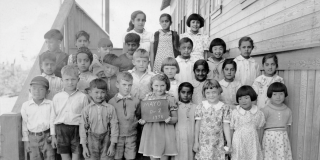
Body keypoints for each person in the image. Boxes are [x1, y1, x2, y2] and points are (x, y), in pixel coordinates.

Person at [50, 65, 89, 160]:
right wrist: (53, 136)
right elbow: (52, 117)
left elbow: (86, 117)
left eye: (73, 79)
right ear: (62, 80)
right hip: (61, 129)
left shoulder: (83, 97)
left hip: (77, 129)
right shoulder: (57, 97)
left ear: (78, 79)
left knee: (76, 157)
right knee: (65, 157)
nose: (70, 82)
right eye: (67, 79)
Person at [138, 73, 178, 160]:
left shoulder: (170, 98)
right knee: (153, 156)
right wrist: (142, 121)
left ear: (166, 85)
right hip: (151, 131)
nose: (159, 89)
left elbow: (175, 118)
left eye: (162, 85)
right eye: (156, 85)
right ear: (151, 85)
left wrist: (170, 119)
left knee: (164, 157)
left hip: (165, 131)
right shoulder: (148, 98)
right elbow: (144, 117)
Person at [80, 79, 119, 160]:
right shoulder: (86, 109)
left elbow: (114, 126)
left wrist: (112, 145)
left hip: (106, 140)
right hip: (91, 141)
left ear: (106, 93)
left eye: (103, 92)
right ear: (90, 93)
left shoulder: (110, 108)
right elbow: (82, 129)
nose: (99, 95)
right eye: (96, 92)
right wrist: (84, 147)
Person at [193, 79, 232, 160]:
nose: (211, 95)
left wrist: (229, 142)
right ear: (204, 94)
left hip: (218, 143)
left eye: (214, 92)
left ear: (219, 92)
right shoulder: (201, 106)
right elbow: (197, 125)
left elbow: (226, 126)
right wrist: (196, 142)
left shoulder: (224, 107)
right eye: (208, 93)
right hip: (203, 143)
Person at [108, 72, 141, 160]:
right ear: (117, 85)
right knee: (117, 156)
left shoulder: (136, 101)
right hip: (117, 135)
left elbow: (138, 116)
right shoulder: (111, 102)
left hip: (131, 134)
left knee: (131, 156)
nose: (127, 87)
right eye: (124, 84)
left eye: (130, 85)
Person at [21, 76, 55, 160]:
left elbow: (52, 121)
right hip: (32, 138)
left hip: (47, 137)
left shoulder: (51, 104)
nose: (37, 91)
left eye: (41, 89)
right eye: (34, 88)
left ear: (47, 91)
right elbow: (24, 124)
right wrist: (26, 141)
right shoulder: (26, 106)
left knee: (50, 157)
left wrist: (53, 137)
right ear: (30, 90)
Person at [230, 85, 265, 160]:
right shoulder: (235, 112)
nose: (243, 101)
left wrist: (259, 143)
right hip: (238, 141)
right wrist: (230, 143)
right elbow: (231, 128)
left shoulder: (258, 113)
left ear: (251, 97)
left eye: (246, 98)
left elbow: (260, 129)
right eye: (240, 99)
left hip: (253, 141)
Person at [261, 82, 292, 159]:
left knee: (281, 156)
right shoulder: (265, 110)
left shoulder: (288, 110)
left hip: (283, 138)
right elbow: (261, 127)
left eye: (281, 94)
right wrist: (260, 141)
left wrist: (285, 140)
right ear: (270, 96)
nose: (278, 97)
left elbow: (288, 127)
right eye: (274, 94)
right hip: (269, 138)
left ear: (285, 95)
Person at [174, 82, 196, 160]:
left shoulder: (196, 107)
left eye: (189, 93)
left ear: (192, 94)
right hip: (178, 137)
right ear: (179, 93)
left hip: (191, 137)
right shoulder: (175, 106)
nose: (186, 95)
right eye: (183, 92)